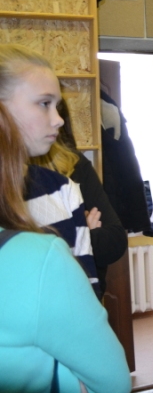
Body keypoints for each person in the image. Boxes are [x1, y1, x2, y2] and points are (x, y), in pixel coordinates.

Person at [0, 98, 131, 393]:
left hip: (78, 342)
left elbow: (113, 240)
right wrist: (75, 232)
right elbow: (111, 383)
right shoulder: (37, 255)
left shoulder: (71, 173)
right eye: (42, 104)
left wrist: (83, 236)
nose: (56, 119)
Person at [0, 44, 98, 294]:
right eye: (44, 103)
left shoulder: (63, 190)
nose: (59, 120)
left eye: (57, 106)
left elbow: (86, 290)